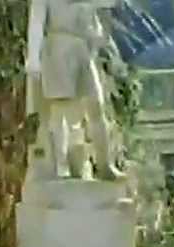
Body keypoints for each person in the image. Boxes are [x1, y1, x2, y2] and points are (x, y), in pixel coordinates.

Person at [26, 0, 126, 181]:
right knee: (61, 109)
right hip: (58, 48)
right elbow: (36, 24)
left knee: (96, 105)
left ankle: (105, 165)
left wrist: (105, 47)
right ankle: (61, 165)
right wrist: (33, 58)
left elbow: (99, 24)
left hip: (83, 52)